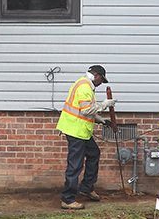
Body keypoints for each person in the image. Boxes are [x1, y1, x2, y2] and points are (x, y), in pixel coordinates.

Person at [56, 65, 116, 210]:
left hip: (81, 131)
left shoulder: (85, 85)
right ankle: (68, 199)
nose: (102, 83)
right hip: (75, 131)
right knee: (75, 165)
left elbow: (86, 109)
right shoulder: (84, 87)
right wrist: (104, 104)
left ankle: (86, 187)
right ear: (96, 75)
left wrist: (101, 120)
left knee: (94, 153)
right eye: (102, 79)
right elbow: (85, 110)